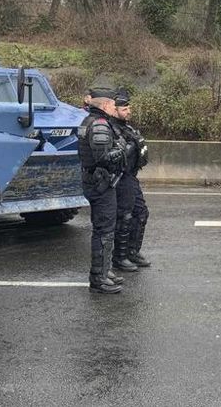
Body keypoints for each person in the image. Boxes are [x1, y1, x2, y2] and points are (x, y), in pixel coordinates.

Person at [78, 87, 129, 293]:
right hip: (100, 183)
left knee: (105, 230)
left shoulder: (90, 121)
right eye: (111, 103)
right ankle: (98, 278)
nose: (113, 106)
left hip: (98, 182)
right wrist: (122, 149)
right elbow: (102, 157)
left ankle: (104, 271)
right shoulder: (99, 124)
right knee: (103, 231)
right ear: (105, 105)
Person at [110, 88, 152, 272]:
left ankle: (133, 251)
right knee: (124, 216)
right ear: (115, 109)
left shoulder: (127, 128)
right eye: (125, 109)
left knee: (141, 213)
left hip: (131, 177)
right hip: (121, 177)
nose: (129, 112)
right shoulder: (111, 128)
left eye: (129, 109)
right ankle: (120, 257)